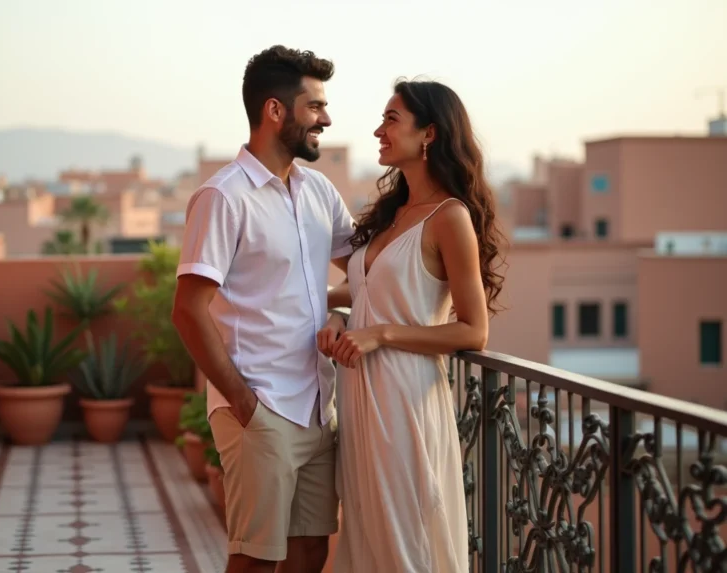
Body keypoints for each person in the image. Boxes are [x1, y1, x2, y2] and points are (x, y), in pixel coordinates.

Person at [171, 45, 355, 573]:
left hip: (319, 406)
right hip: (262, 407)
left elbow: (360, 275)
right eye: (314, 106)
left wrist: (338, 315)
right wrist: (244, 403)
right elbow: (188, 310)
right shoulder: (223, 197)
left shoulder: (319, 190)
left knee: (310, 552)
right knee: (254, 561)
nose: (326, 118)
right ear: (275, 111)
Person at [317, 79, 506, 572]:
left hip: (405, 399)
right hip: (359, 397)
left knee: (408, 543)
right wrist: (337, 314)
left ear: (429, 134)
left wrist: (381, 334)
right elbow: (367, 293)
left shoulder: (449, 218)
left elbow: (472, 331)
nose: (379, 130)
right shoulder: (391, 216)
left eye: (391, 119)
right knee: (368, 539)